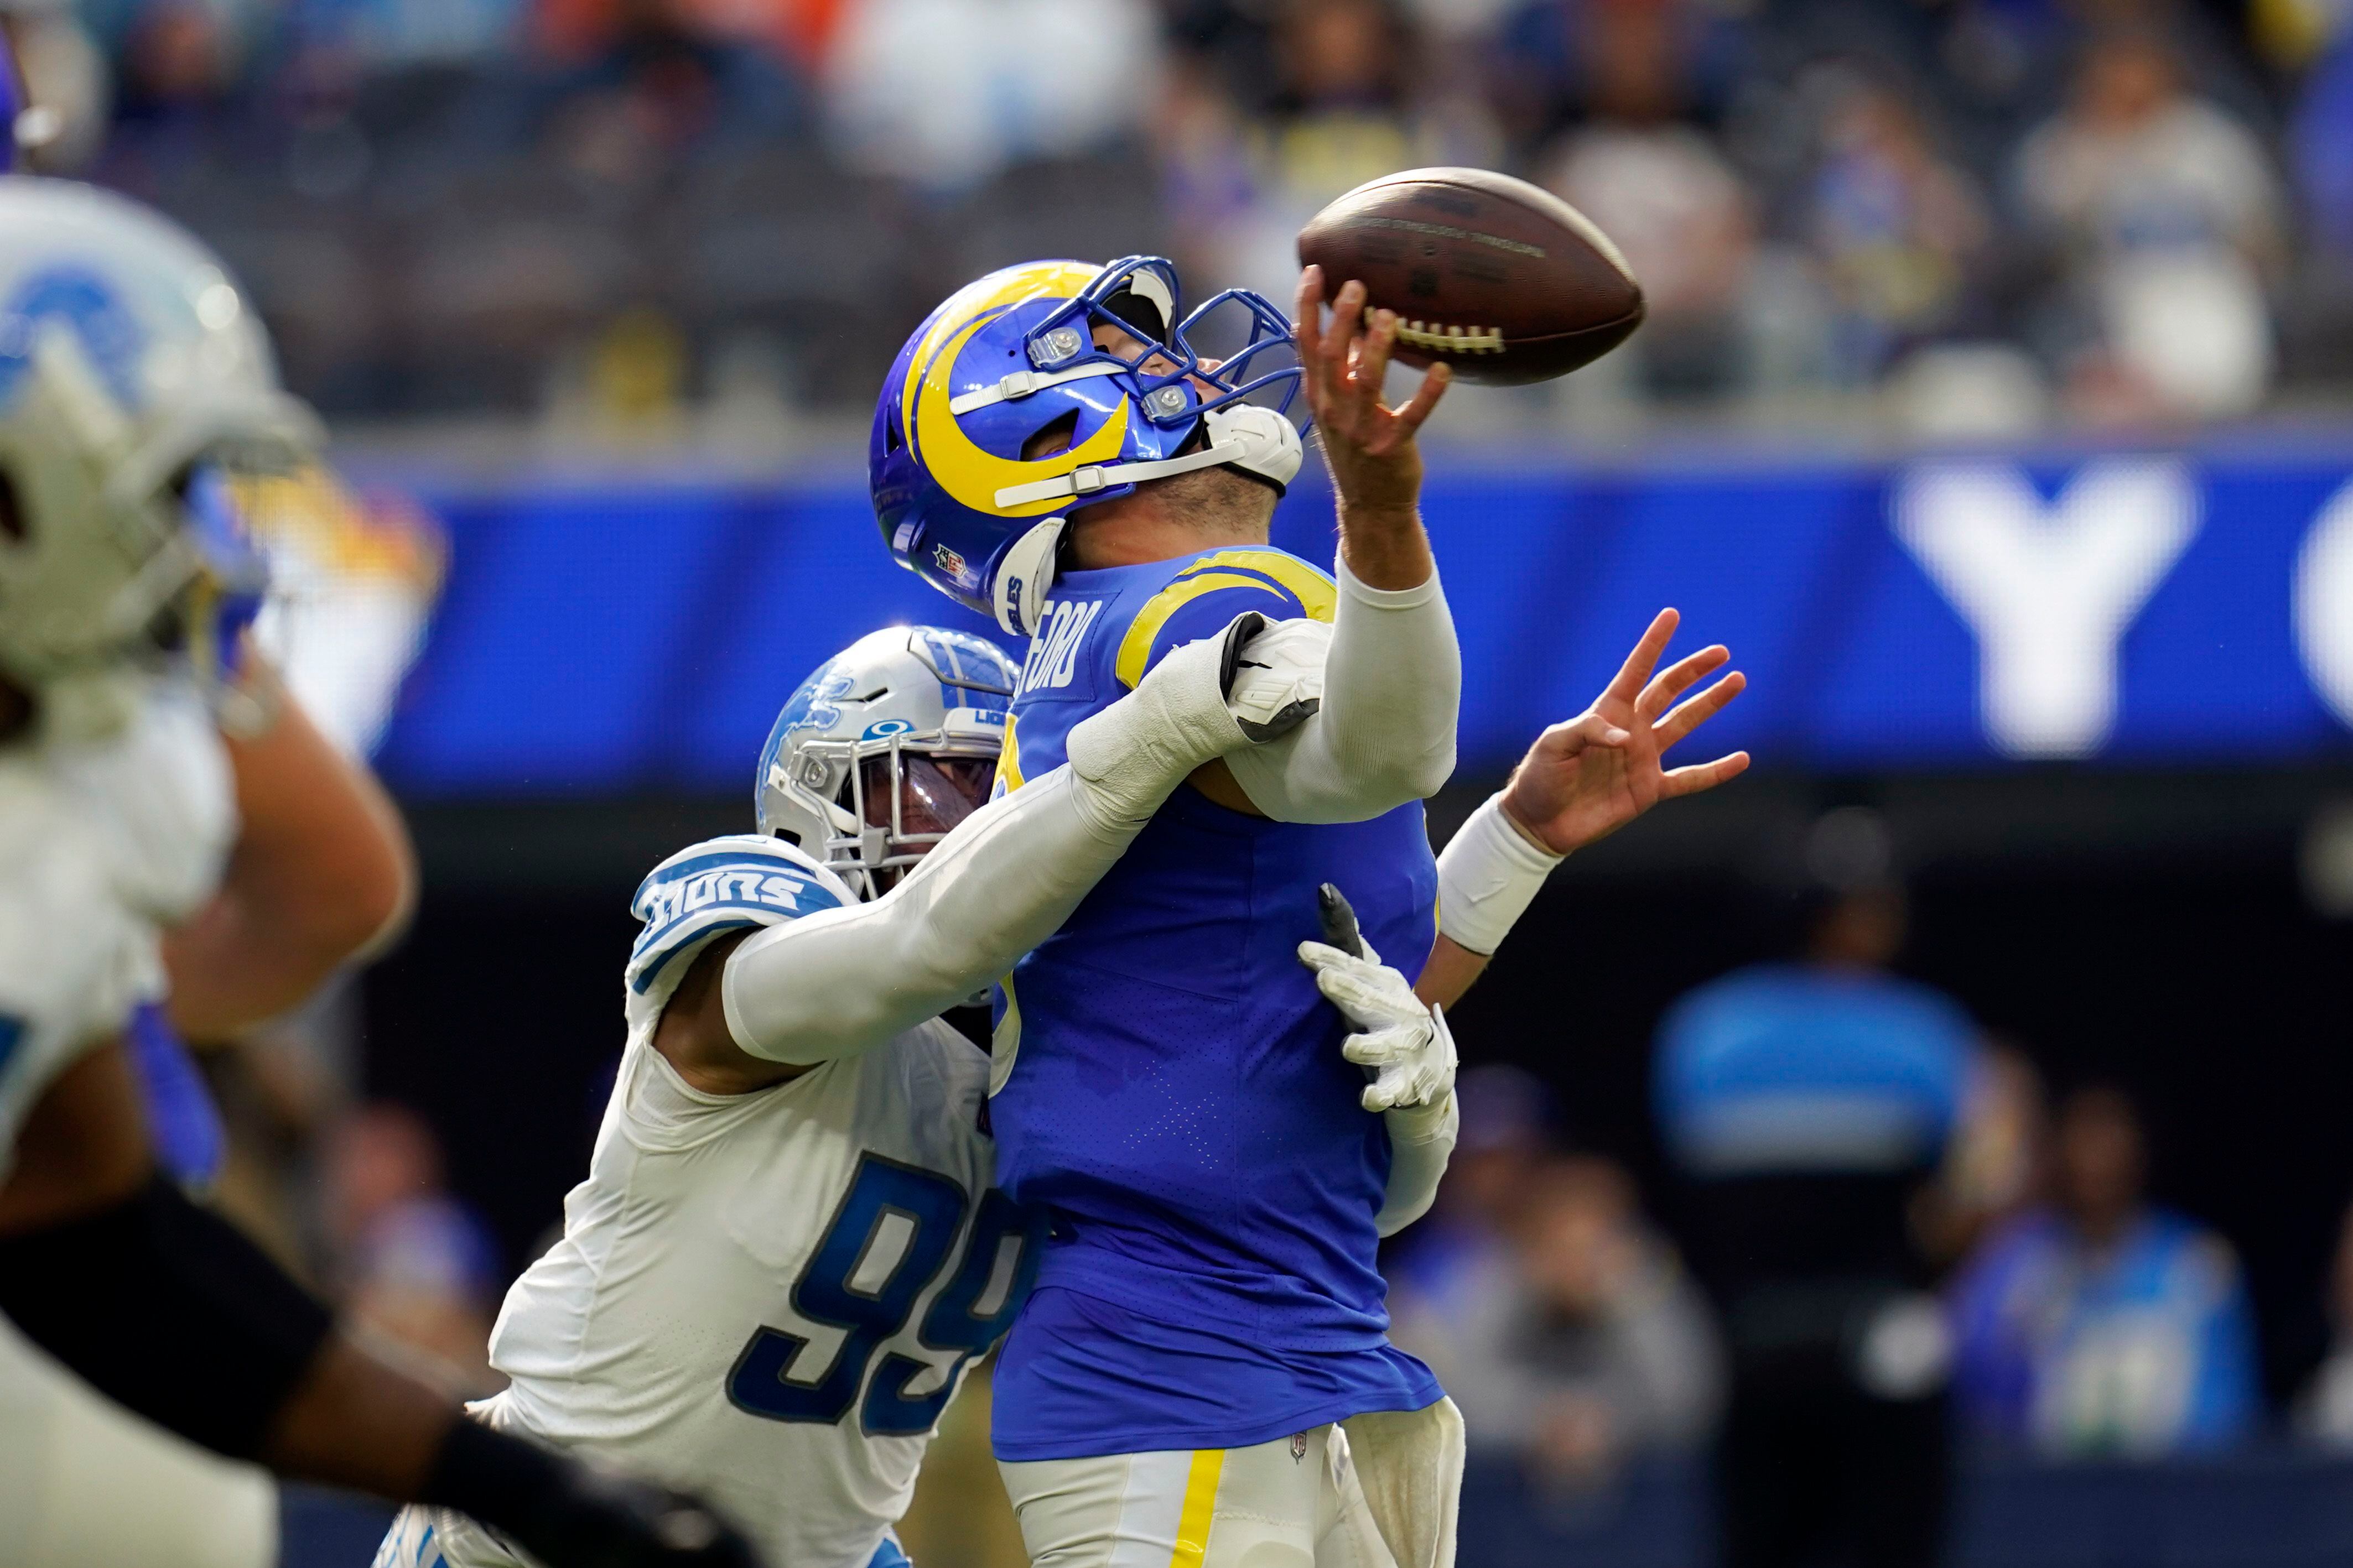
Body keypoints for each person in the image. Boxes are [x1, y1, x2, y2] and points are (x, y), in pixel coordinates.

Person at [876, 252, 1747, 1568]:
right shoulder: (1177, 603)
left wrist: (1515, 839)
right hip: (1177, 1379)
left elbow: (1354, 987)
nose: (1185, 372)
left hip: (1272, 1354)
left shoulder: (1124, 628)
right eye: (1120, 353)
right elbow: (1390, 751)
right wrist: (1380, 512)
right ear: (1022, 432)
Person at [0, 171, 761, 1568]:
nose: (200, 546)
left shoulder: (69, 797)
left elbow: (99, 1256)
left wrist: (525, 1490)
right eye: (158, 490)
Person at [373, 614, 1430, 1568]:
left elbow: (1322, 1215)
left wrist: (1421, 1098)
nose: (972, 826)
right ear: (811, 796)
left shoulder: (1053, 1076)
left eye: (998, 794)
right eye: (936, 788)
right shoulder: (749, 970)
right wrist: (1150, 738)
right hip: (538, 1533)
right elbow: (918, 941)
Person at [1653, 810, 1983, 1568]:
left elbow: (1691, 1194)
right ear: (1853, 918)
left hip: (1747, 1360)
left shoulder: (1699, 1035)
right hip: (1881, 1364)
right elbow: (1966, 1203)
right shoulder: (1927, 1036)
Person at [1949, 1085, 2261, 1457]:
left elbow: (2225, 1420)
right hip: (2041, 1494)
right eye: (2080, 1141)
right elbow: (1972, 1393)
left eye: (2109, 1140)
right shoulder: (2016, 1263)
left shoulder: (2197, 1266)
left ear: (2140, 1153)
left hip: (2167, 1496)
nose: (2094, 1162)